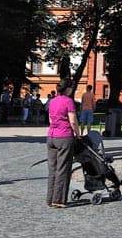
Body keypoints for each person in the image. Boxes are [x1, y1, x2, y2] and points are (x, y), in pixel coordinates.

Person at [46, 80, 79, 208]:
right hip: (64, 136)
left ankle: (50, 198)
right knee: (63, 168)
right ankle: (59, 200)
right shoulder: (68, 101)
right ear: (68, 89)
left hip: (51, 136)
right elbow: (73, 121)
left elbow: (50, 119)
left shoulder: (52, 101)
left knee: (52, 169)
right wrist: (77, 133)